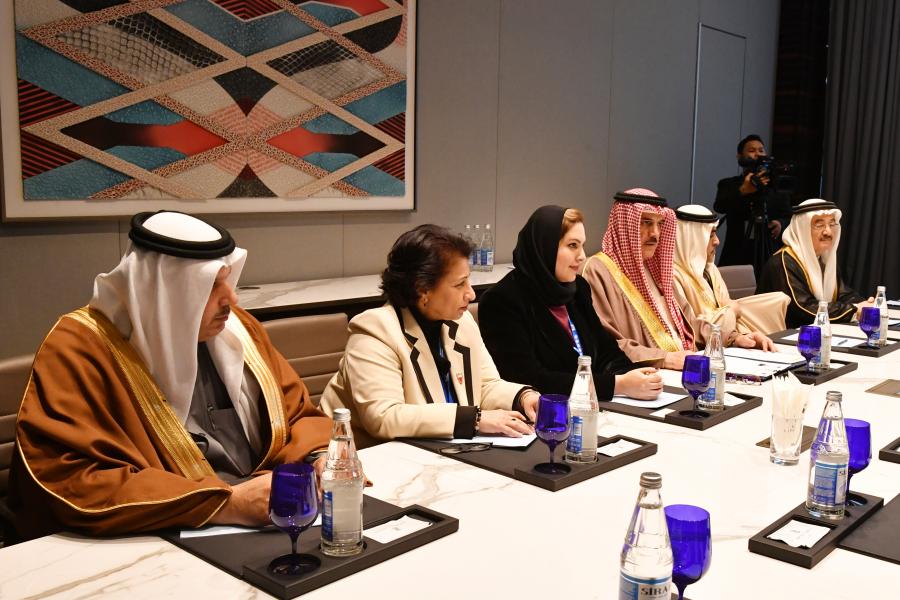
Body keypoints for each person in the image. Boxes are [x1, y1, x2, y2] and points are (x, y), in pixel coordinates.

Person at [8, 211, 333, 541]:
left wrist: (320, 458)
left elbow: (296, 414)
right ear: (164, 290)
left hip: (262, 518)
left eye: (228, 279)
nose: (231, 299)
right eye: (211, 285)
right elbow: (74, 478)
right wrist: (226, 504)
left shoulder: (237, 330)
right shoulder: (77, 350)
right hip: (150, 535)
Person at [319, 224, 539, 448]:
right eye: (459, 284)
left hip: (440, 451)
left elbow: (484, 386)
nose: (471, 294)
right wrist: (474, 420)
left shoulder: (461, 322)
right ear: (422, 289)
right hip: (362, 457)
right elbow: (384, 417)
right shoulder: (375, 330)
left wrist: (523, 397)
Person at [479, 205, 662, 399]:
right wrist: (617, 385)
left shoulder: (577, 289)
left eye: (582, 245)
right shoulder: (502, 301)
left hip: (597, 405)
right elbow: (528, 378)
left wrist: (634, 375)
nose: (582, 256)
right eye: (573, 245)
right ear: (545, 247)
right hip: (547, 411)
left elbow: (607, 351)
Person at [581, 189, 698, 370]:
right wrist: (664, 358)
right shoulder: (596, 271)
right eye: (646, 222)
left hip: (685, 366)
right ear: (625, 225)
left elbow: (687, 322)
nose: (655, 234)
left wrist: (733, 337)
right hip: (641, 374)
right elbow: (602, 341)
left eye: (660, 224)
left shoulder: (657, 269)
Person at [674, 204, 787, 342]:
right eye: (710, 235)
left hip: (725, 338)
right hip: (702, 349)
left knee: (779, 299)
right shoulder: (674, 277)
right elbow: (691, 330)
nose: (717, 241)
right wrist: (731, 310)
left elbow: (726, 309)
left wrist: (738, 336)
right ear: (692, 239)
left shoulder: (710, 269)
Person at [757, 199, 874, 328]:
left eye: (832, 224)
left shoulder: (822, 258)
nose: (828, 232)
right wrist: (854, 310)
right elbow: (803, 307)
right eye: (820, 225)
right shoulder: (783, 262)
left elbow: (842, 294)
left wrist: (864, 305)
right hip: (782, 335)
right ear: (802, 229)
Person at [714, 134, 793, 276]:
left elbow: (789, 217)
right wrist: (743, 191)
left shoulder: (775, 188)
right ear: (739, 156)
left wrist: (780, 223)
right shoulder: (729, 184)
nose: (757, 154)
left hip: (768, 249)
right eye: (751, 150)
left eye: (761, 150)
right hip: (737, 249)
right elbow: (720, 206)